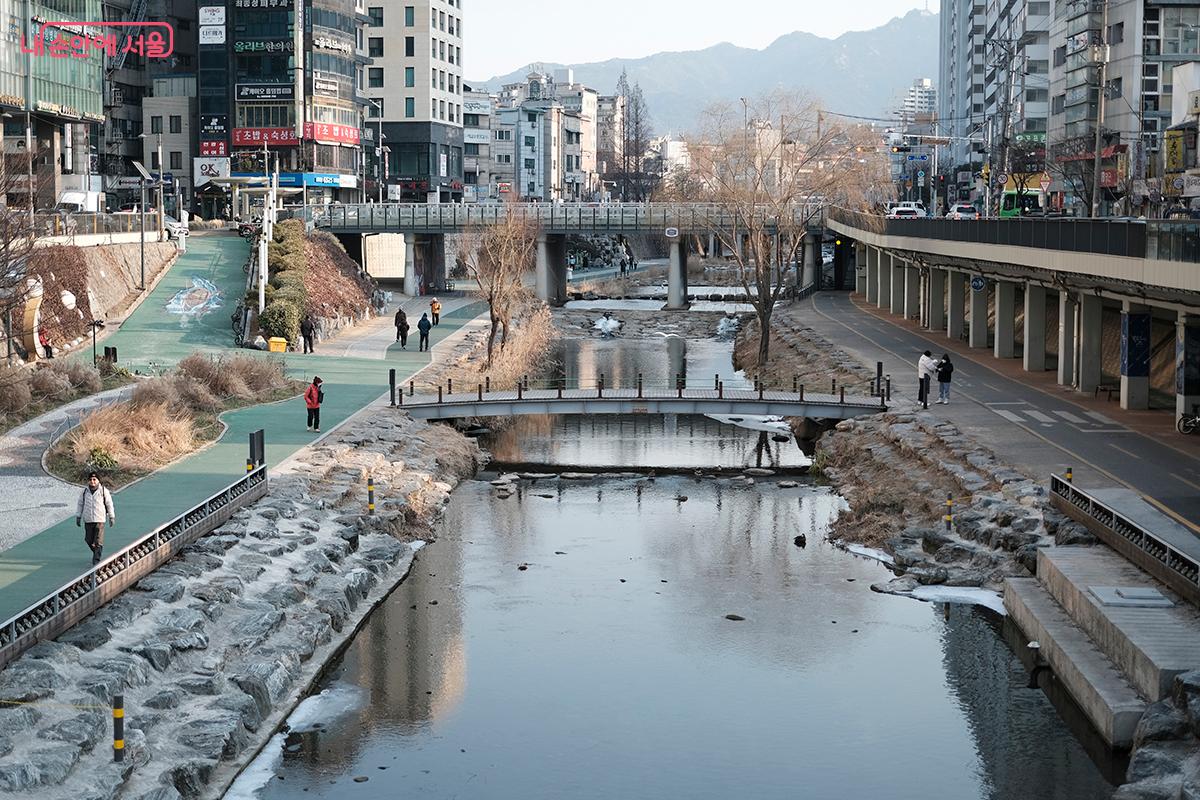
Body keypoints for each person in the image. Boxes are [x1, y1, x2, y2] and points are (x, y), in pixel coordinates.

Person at [76, 472, 115, 565]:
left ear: (98, 480)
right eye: (90, 480)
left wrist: (111, 516)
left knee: (98, 540)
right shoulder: (84, 492)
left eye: (94, 479)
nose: (92, 481)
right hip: (88, 519)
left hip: (99, 519)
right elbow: (80, 504)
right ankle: (96, 553)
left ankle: (96, 560)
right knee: (88, 540)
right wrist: (78, 516)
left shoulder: (103, 491)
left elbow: (109, 504)